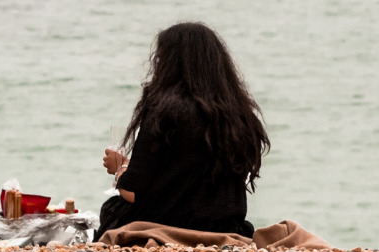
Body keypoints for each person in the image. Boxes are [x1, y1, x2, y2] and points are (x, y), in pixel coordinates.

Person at [99, 22, 269, 238]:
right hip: (223, 227)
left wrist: (120, 169)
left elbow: (135, 191)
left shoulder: (164, 110)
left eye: (160, 60)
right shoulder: (240, 116)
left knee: (113, 208)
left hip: (169, 224)